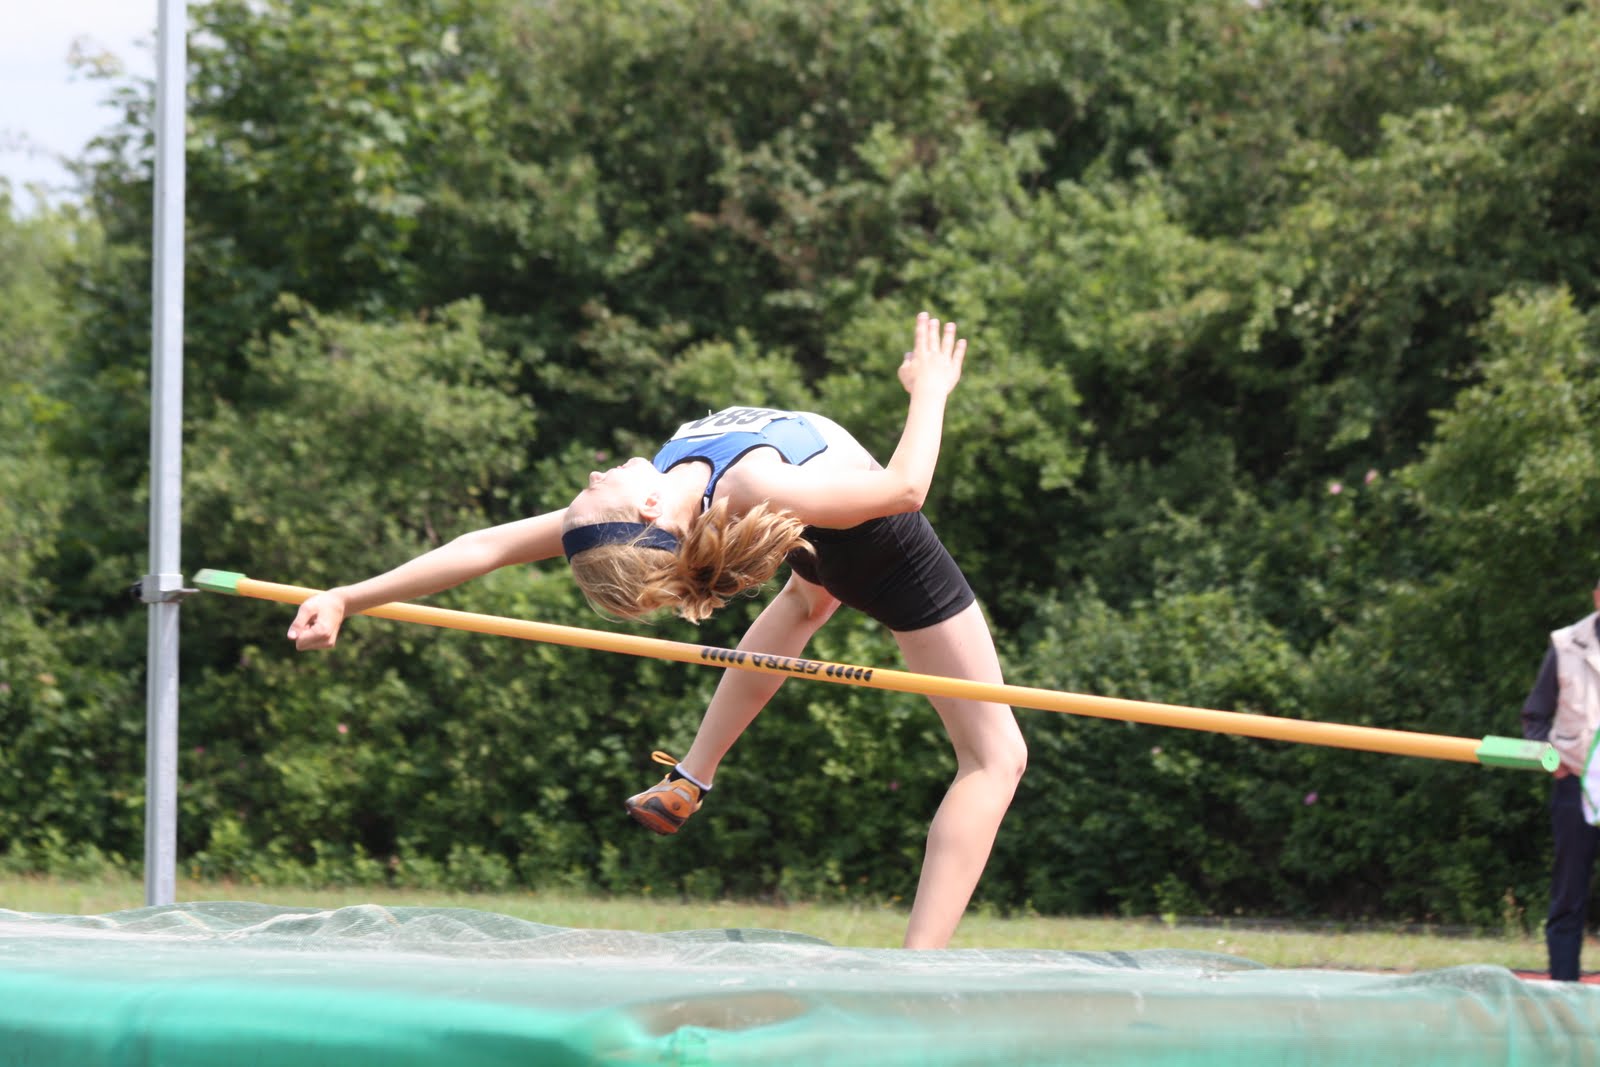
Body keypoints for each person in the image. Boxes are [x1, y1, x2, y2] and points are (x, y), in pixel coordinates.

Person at [286, 312, 1027, 950]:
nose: (591, 476)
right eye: (594, 488)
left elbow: (486, 544)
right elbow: (904, 489)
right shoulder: (745, 486)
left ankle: (692, 777)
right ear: (644, 508)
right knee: (995, 758)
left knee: (806, 604)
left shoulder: (683, 483)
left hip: (823, 546)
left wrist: (350, 595)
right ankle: (914, 968)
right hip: (885, 553)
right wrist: (930, 390)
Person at [1520, 577, 1600, 981]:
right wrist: (1553, 763)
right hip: (1575, 784)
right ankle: (1563, 992)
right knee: (1569, 891)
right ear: (1597, 596)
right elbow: (1535, 718)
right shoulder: (1565, 644)